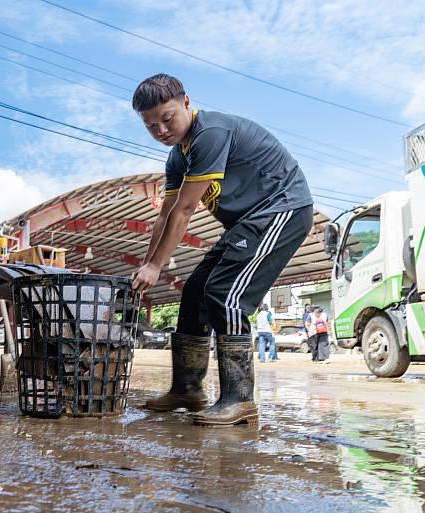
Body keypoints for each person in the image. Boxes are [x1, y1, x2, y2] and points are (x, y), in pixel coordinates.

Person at [130, 74, 313, 427]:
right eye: (151, 126)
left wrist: (156, 266)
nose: (162, 130)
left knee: (225, 294)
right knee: (196, 291)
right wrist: (148, 264)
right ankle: (187, 389)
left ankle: (239, 399)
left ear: (186, 103)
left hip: (283, 209)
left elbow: (183, 211)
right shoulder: (176, 159)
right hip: (248, 223)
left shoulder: (210, 132)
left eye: (167, 119)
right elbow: (165, 214)